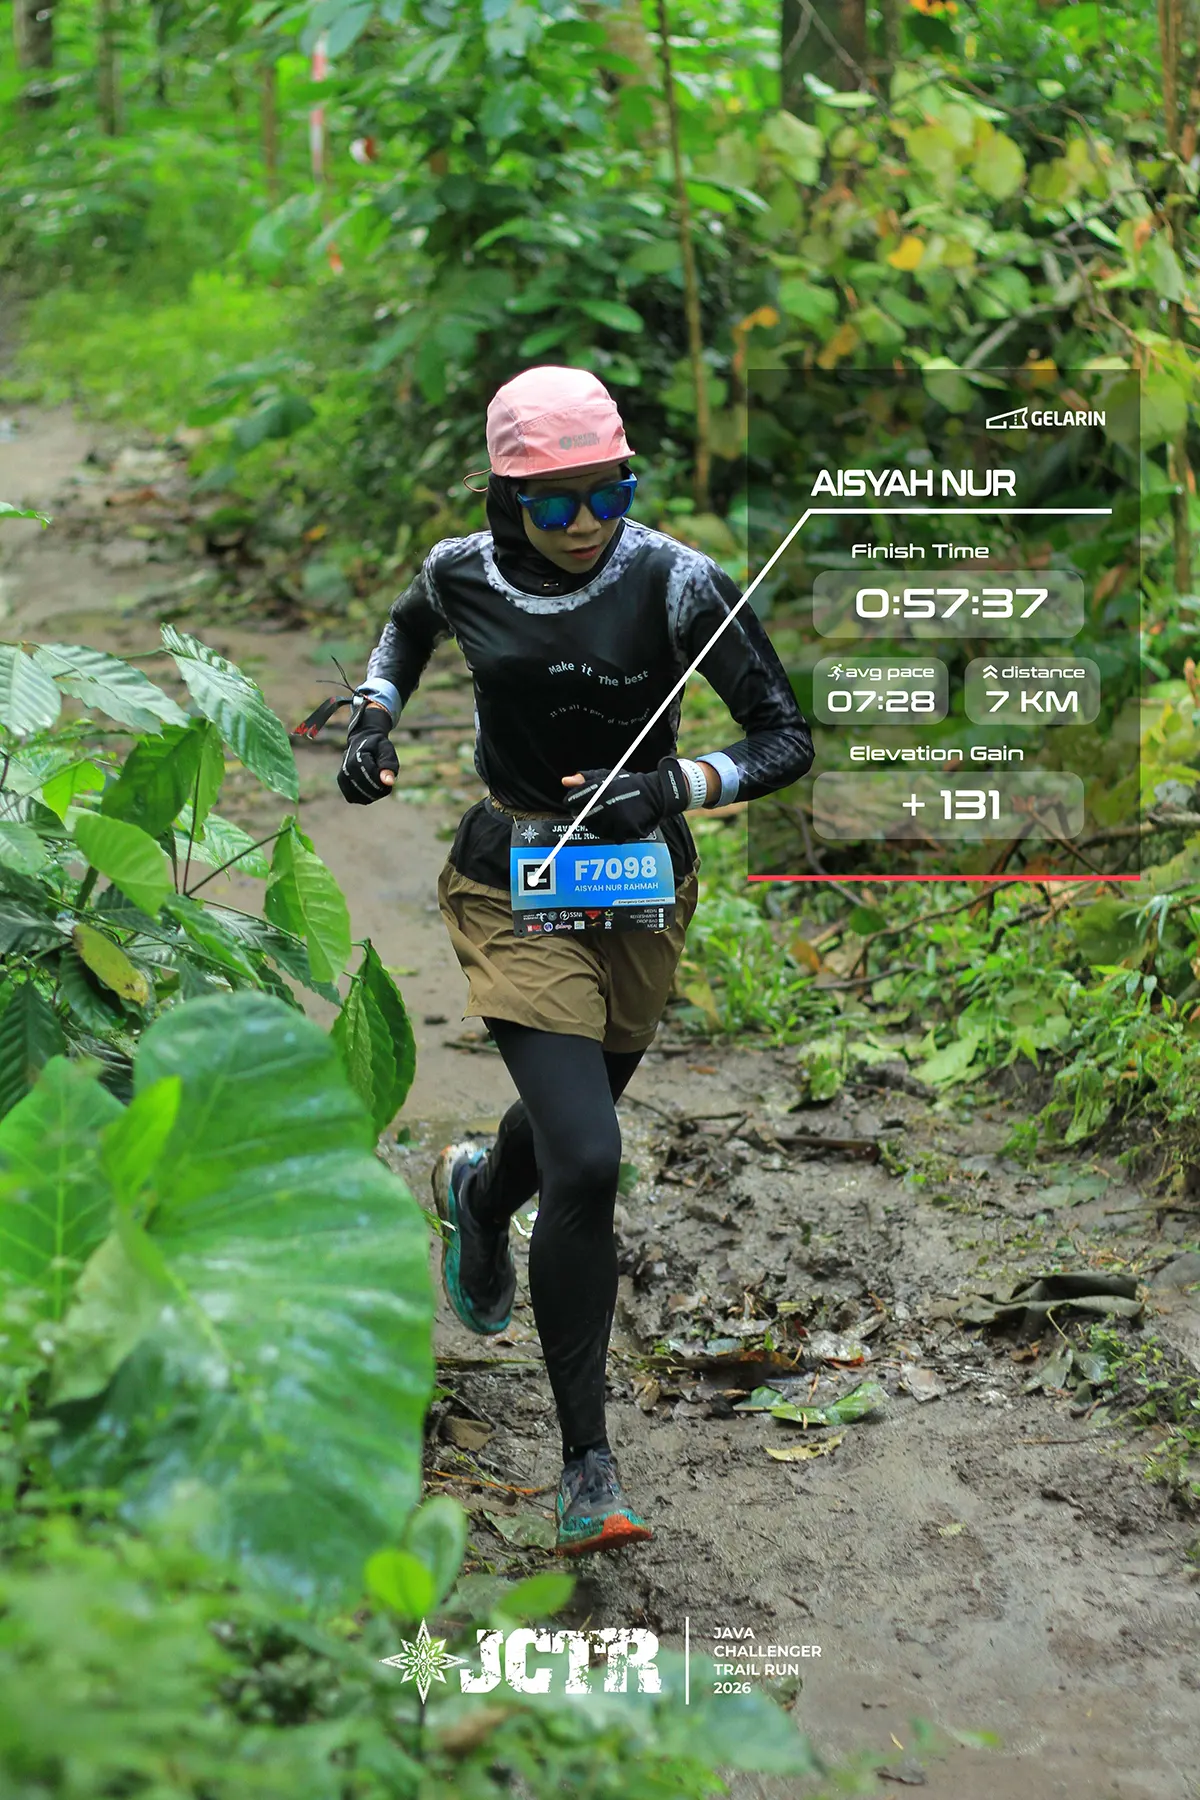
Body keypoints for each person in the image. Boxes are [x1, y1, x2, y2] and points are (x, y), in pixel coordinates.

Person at [336, 365, 814, 1556]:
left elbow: (785, 736)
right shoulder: (462, 572)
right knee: (591, 1158)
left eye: (609, 493)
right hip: (512, 881)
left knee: (571, 1123)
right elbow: (404, 631)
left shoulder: (677, 582)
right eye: (556, 502)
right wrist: (373, 714)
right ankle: (587, 1466)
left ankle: (477, 1193)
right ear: (507, 497)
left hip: (641, 887)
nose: (586, 521)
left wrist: (675, 783)